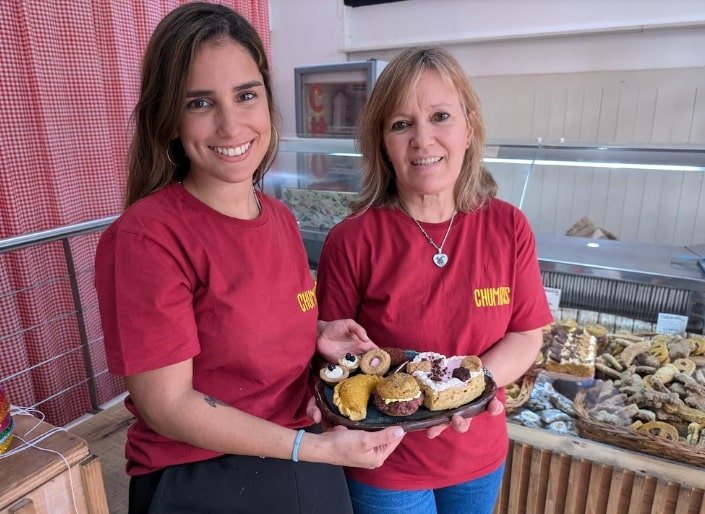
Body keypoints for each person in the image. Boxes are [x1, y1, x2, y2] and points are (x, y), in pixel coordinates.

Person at [94, 4, 405, 513]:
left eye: (245, 95)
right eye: (200, 102)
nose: (231, 124)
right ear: (168, 119)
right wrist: (314, 449)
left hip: (298, 453)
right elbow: (168, 405)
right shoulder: (147, 237)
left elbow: (242, 324)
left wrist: (315, 334)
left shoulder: (278, 217)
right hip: (202, 475)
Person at [316, 46, 553, 514]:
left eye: (440, 116)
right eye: (401, 124)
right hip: (384, 462)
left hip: (478, 456)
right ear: (383, 143)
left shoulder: (508, 227)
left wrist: (467, 393)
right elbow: (331, 363)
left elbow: (527, 335)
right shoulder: (352, 239)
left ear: (469, 128)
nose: (422, 140)